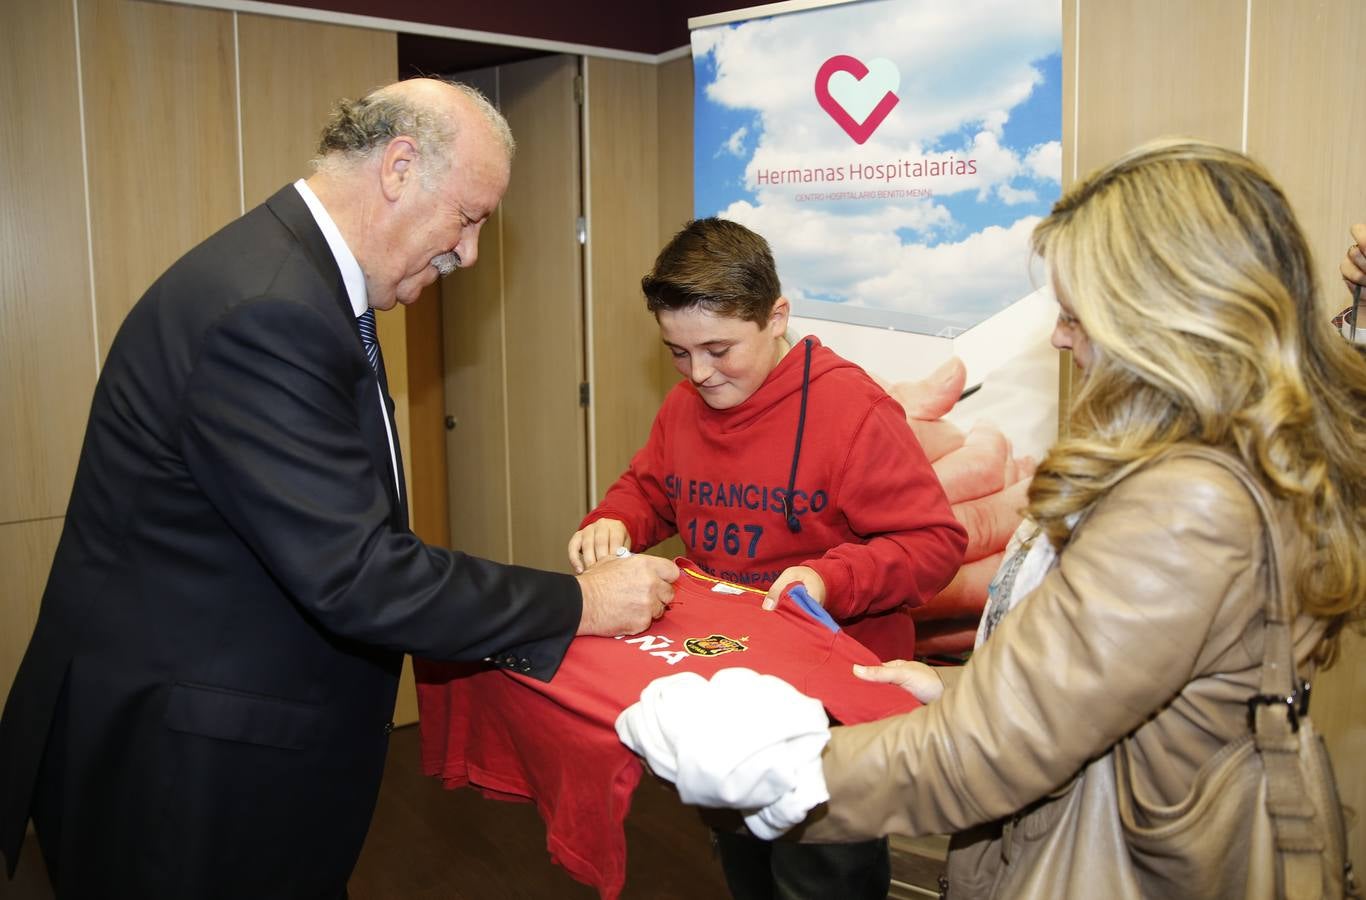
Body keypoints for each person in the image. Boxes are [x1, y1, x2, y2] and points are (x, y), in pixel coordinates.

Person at [619, 140, 1366, 896]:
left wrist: (776, 775)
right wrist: (970, 689)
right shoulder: (1207, 465)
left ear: (1167, 318)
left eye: (1078, 314)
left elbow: (989, 753)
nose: (1061, 336)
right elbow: (1101, 676)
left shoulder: (1191, 502)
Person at [0, 77, 677, 899]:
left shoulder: (305, 281)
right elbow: (359, 572)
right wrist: (583, 604)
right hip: (187, 768)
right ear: (398, 167)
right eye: (469, 218)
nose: (468, 254)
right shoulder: (270, 309)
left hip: (222, 731)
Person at [567, 217, 967, 900]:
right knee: (744, 862)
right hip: (726, 685)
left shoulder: (853, 409)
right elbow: (654, 488)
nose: (698, 373)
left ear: (777, 316)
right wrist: (613, 520)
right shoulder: (687, 403)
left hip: (828, 706)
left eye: (719, 349)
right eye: (677, 352)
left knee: (823, 878)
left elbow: (934, 544)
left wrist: (829, 577)